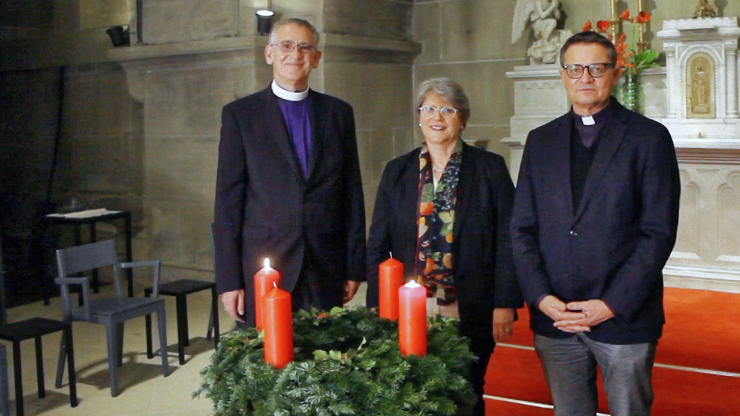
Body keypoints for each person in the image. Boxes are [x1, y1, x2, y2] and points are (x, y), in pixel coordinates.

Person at [510, 31, 681, 416]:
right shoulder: (541, 140)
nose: (584, 78)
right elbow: (521, 228)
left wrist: (611, 304)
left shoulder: (648, 138)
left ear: (614, 74)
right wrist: (542, 298)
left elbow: (658, 232)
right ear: (562, 75)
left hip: (622, 317)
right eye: (574, 68)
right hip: (556, 318)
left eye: (596, 68)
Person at [366, 78, 523, 416]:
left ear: (462, 118)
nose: (438, 117)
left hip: (471, 303)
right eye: (429, 109)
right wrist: (378, 306)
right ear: (419, 116)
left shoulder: (489, 168)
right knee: (413, 391)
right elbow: (378, 245)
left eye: (447, 110)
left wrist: (505, 303)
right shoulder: (397, 171)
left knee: (466, 391)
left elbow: (508, 239)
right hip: (411, 303)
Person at [213, 18, 366, 327]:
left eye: (305, 47)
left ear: (316, 58)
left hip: (325, 264)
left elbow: (352, 194)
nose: (295, 54)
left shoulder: (338, 114)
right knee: (268, 363)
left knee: (323, 358)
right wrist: (229, 281)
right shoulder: (241, 115)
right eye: (285, 45)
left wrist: (353, 266)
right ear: (269, 53)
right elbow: (227, 202)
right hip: (265, 265)